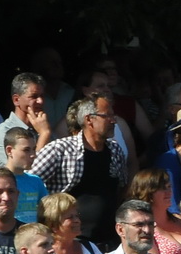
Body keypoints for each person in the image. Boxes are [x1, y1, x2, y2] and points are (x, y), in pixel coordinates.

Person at [29, 96, 131, 245]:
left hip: (109, 241)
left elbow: (122, 189)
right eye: (107, 116)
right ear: (89, 119)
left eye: (113, 116)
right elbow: (29, 183)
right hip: (70, 242)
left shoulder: (115, 150)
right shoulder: (60, 149)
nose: (113, 121)